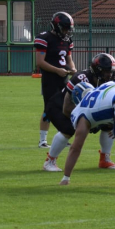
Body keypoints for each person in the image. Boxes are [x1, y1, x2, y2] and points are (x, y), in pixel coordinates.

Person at [42, 53, 115, 172]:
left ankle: (105, 159)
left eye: (111, 71)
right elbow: (67, 106)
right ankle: (49, 161)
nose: (110, 75)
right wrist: (85, 121)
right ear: (98, 70)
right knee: (68, 129)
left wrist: (112, 121)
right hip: (61, 105)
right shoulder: (81, 77)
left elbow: (109, 100)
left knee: (108, 125)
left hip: (87, 106)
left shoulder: (111, 79)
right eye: (107, 71)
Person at [34, 12, 77, 148]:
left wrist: (73, 70)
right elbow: (40, 62)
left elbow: (69, 59)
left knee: (65, 107)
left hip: (63, 78)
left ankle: (62, 137)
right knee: (49, 109)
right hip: (50, 79)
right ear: (57, 26)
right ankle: (43, 141)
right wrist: (57, 70)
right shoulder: (45, 38)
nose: (66, 32)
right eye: (65, 28)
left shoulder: (67, 40)